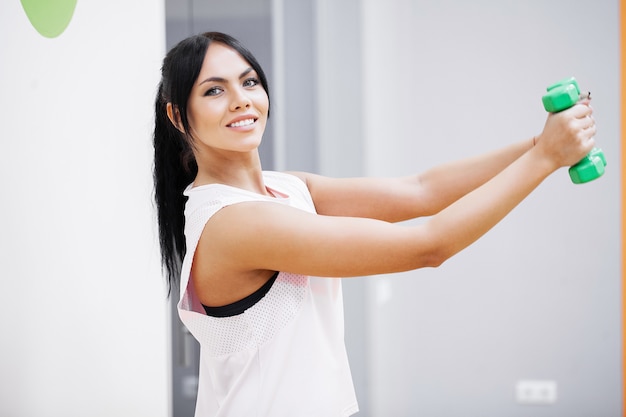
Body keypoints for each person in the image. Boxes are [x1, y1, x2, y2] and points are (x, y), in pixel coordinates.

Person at [153, 31, 596, 417]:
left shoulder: (284, 189)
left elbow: (421, 191)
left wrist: (539, 144)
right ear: (178, 116)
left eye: (249, 81)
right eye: (214, 91)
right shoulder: (234, 223)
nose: (241, 99)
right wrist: (545, 158)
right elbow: (429, 245)